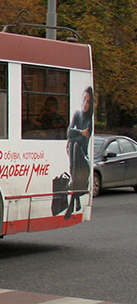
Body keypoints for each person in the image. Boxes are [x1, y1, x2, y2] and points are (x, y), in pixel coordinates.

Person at [64, 87, 94, 220]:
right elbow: (68, 132)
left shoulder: (90, 120)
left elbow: (82, 140)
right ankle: (75, 200)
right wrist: (81, 132)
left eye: (88, 101)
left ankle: (72, 203)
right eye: (84, 100)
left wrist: (76, 135)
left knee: (75, 145)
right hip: (74, 155)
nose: (85, 104)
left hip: (82, 156)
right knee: (73, 144)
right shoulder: (77, 114)